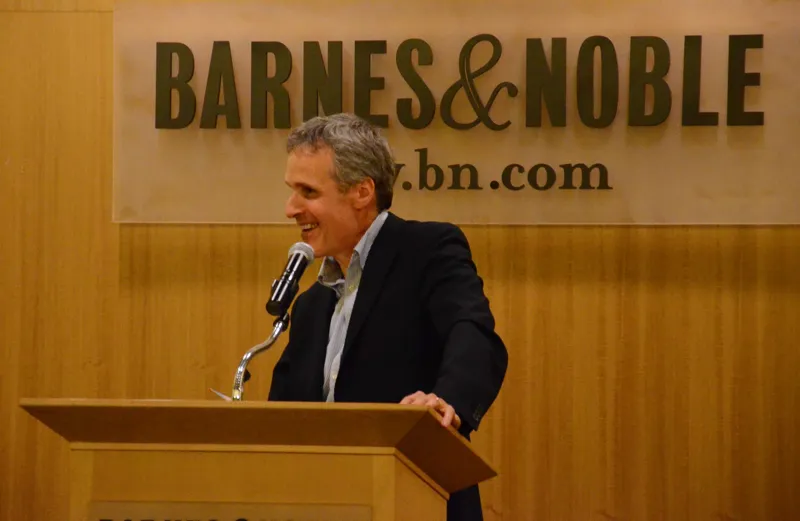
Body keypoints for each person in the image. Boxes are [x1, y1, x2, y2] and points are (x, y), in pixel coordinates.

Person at [267, 112, 508, 521]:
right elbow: (282, 418)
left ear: (362, 192)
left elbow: (473, 333)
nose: (291, 208)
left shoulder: (426, 251)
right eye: (292, 191)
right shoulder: (311, 305)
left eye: (307, 191)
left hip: (418, 502)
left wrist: (447, 400)